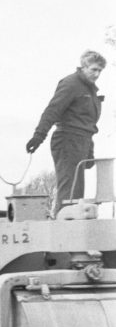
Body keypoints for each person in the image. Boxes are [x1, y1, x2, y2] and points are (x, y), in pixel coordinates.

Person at [26, 50, 107, 215]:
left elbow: (87, 123)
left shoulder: (90, 90)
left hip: (82, 141)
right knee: (69, 192)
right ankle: (62, 228)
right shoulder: (71, 84)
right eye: (93, 69)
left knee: (77, 194)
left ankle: (72, 228)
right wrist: (38, 136)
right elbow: (53, 110)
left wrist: (89, 150)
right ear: (83, 67)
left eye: (100, 71)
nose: (97, 74)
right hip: (67, 140)